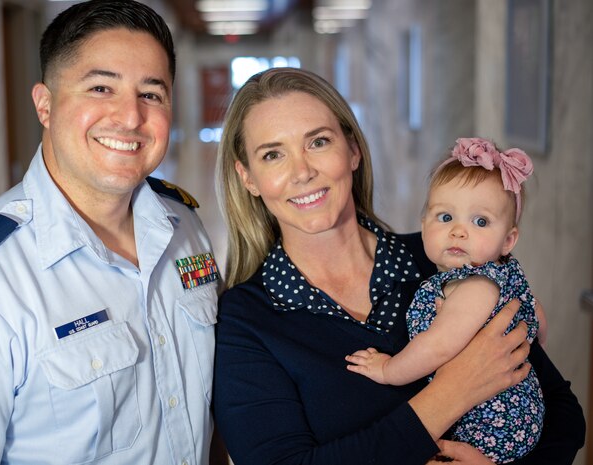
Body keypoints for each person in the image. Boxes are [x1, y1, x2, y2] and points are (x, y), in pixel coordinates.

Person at [0, 1, 222, 464]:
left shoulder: (184, 225)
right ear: (45, 105)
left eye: (151, 94)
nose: (130, 117)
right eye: (101, 87)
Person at [212, 67, 585, 465]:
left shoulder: (446, 261)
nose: (302, 172)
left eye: (318, 142)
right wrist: (452, 393)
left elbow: (564, 416)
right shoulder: (246, 320)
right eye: (273, 154)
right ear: (248, 177)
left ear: (352, 150)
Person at [346, 138, 543, 463]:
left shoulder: (476, 285)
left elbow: (437, 346)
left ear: (508, 240)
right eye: (445, 217)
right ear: (423, 226)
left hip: (493, 424)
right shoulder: (494, 278)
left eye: (480, 221)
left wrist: (388, 370)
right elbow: (538, 320)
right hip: (511, 414)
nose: (458, 231)